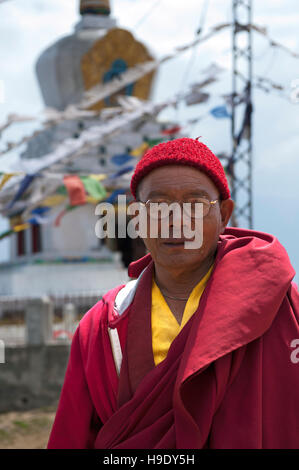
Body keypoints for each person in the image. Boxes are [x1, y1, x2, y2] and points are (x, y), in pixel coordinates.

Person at [47, 137, 299, 449]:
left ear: (224, 214)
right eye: (158, 206)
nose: (176, 221)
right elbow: (73, 436)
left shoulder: (282, 305)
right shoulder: (102, 325)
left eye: (194, 205)